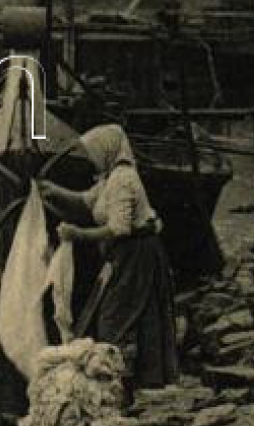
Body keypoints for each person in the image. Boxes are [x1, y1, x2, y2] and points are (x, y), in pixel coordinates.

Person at [37, 124, 179, 392]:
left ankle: (120, 383)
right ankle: (145, 380)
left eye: (94, 153)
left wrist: (77, 234)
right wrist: (52, 191)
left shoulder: (124, 179)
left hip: (137, 253)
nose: (92, 159)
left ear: (108, 150)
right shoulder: (109, 178)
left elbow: (119, 228)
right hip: (127, 253)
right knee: (140, 314)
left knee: (115, 317)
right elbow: (86, 200)